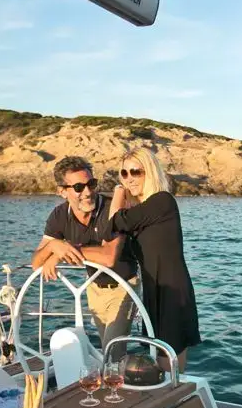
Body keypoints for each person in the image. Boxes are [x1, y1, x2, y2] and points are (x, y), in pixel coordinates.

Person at [31, 156, 140, 360]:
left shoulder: (112, 208)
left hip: (124, 287)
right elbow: (37, 263)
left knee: (112, 352)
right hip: (94, 289)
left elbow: (108, 258)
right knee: (109, 351)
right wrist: (54, 246)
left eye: (91, 184)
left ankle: (114, 388)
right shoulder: (59, 215)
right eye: (79, 187)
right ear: (62, 191)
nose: (88, 192)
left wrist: (62, 251)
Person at [108, 147, 201, 372]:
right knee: (160, 354)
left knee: (168, 360)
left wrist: (118, 193)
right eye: (124, 174)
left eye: (135, 172)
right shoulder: (144, 212)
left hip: (171, 290)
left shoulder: (162, 201)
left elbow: (114, 222)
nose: (129, 179)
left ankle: (175, 399)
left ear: (149, 172)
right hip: (154, 289)